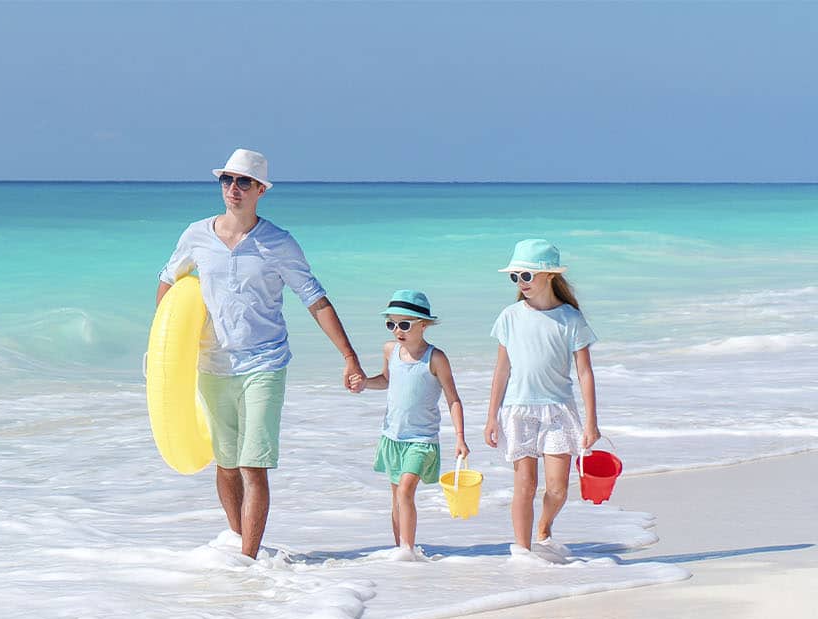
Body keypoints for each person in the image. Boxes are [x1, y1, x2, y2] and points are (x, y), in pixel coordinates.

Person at [155, 148, 366, 559]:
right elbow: (168, 280)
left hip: (264, 363)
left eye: (243, 182)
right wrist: (162, 349)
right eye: (227, 180)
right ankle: (240, 546)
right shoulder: (196, 235)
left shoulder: (278, 243)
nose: (233, 189)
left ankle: (248, 563)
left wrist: (349, 356)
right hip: (212, 364)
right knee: (227, 463)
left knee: (254, 464)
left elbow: (315, 300)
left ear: (261, 190)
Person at [482, 239, 600, 563]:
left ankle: (544, 531)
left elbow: (585, 373)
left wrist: (591, 421)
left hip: (559, 409)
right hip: (518, 409)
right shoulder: (509, 317)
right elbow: (501, 370)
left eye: (527, 275)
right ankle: (521, 551)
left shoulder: (570, 319)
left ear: (549, 275)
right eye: (515, 277)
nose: (521, 283)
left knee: (558, 487)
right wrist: (491, 417)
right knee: (525, 483)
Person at [358, 290, 469, 561]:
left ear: (423, 324)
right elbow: (386, 380)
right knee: (396, 496)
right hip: (392, 436)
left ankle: (407, 551)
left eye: (404, 324)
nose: (397, 330)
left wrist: (460, 438)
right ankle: (401, 551)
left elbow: (453, 399)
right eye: (391, 324)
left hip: (422, 439)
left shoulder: (435, 358)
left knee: (406, 489)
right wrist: (364, 383)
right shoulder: (390, 350)